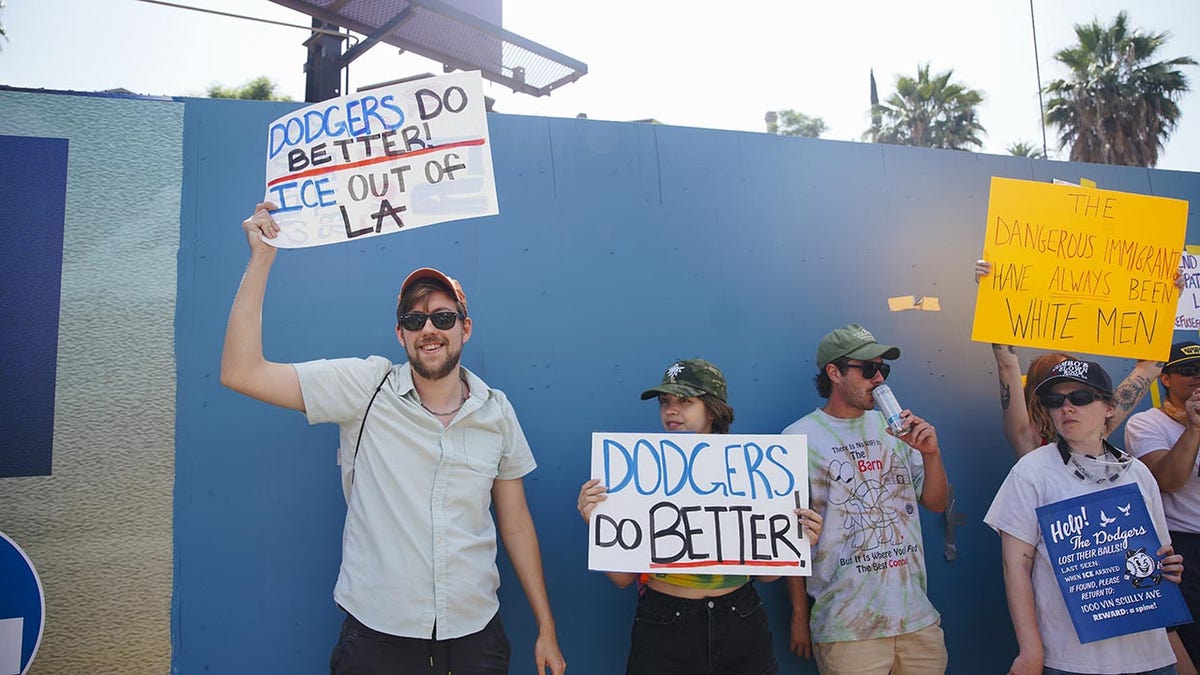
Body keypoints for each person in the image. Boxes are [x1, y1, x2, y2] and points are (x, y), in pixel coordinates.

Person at [221, 202, 566, 675]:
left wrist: (546, 626)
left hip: (475, 638)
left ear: (465, 328)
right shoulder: (365, 388)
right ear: (399, 334)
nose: (429, 329)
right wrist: (261, 259)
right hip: (378, 640)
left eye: (443, 318)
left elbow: (516, 524)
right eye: (414, 319)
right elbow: (243, 373)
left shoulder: (497, 410)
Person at [576, 358, 823, 675]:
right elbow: (622, 579)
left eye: (684, 401)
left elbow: (767, 575)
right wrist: (596, 523)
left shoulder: (751, 471)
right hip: (664, 622)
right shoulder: (640, 474)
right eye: (665, 402)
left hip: (741, 617)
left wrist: (799, 539)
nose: (670, 410)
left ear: (712, 409)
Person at [985, 358, 1185, 675]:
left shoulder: (1138, 473)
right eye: (1055, 400)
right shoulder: (1031, 472)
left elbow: (1160, 552)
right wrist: (1030, 651)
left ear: (1108, 407)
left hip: (1149, 653)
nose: (1067, 408)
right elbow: (1015, 567)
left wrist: (1169, 566)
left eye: (1080, 398)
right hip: (1072, 657)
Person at [784, 324, 950, 674]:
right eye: (868, 369)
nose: (879, 379)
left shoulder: (896, 432)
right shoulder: (798, 437)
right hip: (848, 628)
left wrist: (931, 454)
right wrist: (800, 616)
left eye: (883, 370)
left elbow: (935, 503)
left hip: (916, 620)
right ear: (834, 372)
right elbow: (788, 541)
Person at [975, 260, 1163, 457]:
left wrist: (1165, 296)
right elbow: (1006, 364)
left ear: (1107, 409)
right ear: (1043, 393)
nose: (1070, 405)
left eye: (1081, 396)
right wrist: (992, 292)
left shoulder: (1096, 426)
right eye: (1057, 395)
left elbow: (1149, 368)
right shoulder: (1027, 437)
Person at [1125, 341, 1200, 671]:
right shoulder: (1146, 424)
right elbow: (1169, 481)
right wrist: (1194, 425)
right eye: (1188, 370)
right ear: (1165, 378)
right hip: (1185, 546)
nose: (1198, 377)